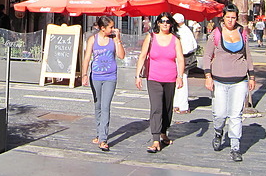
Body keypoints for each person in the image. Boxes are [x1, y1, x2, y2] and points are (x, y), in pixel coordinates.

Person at [202, 4, 255, 162]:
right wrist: (207, 76)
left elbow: (248, 56)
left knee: (235, 115)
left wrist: (251, 76)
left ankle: (235, 146)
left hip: (239, 80)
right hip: (219, 80)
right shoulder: (216, 34)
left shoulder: (242, 32)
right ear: (223, 18)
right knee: (219, 114)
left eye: (233, 17)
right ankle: (218, 132)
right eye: (228, 17)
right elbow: (207, 56)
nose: (231, 20)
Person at [135, 12, 184, 153]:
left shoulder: (175, 39)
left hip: (170, 78)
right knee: (156, 107)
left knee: (167, 109)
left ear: (171, 24)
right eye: (162, 21)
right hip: (154, 78)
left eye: (167, 22)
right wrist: (137, 76)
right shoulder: (151, 37)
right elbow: (143, 55)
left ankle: (163, 132)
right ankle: (156, 139)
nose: (165, 24)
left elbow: (180, 59)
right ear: (157, 23)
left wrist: (180, 76)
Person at [82, 16, 125, 151]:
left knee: (105, 106)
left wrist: (118, 40)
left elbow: (122, 56)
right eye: (111, 27)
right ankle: (99, 133)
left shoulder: (113, 40)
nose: (113, 29)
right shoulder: (92, 40)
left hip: (110, 77)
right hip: (96, 76)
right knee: (98, 106)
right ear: (102, 28)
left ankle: (103, 139)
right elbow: (87, 57)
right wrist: (84, 74)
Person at [172, 13, 198, 114]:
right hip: (185, 58)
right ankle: (178, 104)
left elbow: (185, 48)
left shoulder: (181, 31)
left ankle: (182, 105)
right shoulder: (187, 30)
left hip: (181, 59)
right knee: (180, 81)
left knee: (181, 81)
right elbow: (194, 45)